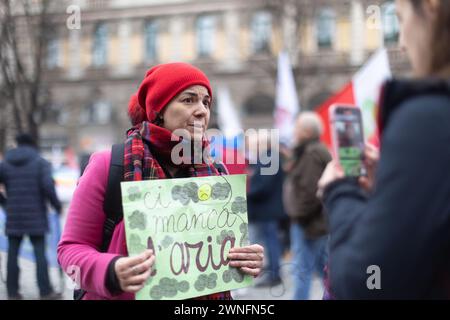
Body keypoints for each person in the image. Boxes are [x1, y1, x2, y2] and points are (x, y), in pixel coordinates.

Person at [57, 63, 264, 300]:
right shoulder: (110, 165)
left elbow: (220, 256)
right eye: (188, 100)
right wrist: (111, 271)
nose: (202, 111)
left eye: (206, 102)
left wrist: (246, 260)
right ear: (159, 109)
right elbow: (71, 249)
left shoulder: (216, 173)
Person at [317, 0, 450, 299]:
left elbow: (366, 281)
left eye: (400, 20)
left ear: (431, 7)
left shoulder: (429, 117)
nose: (401, 42)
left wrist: (340, 190)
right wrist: (395, 189)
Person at [0, 133, 62, 300]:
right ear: (32, 144)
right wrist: (57, 206)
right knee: (40, 254)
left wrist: (5, 203)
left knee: (12, 254)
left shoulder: (5, 164)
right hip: (36, 215)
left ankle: (12, 292)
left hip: (13, 215)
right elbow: (48, 187)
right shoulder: (40, 163)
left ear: (17, 144)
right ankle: (45, 291)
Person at [283, 112, 332, 300]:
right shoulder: (309, 151)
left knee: (301, 270)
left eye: (298, 127)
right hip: (314, 221)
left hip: (308, 222)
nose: (294, 131)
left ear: (308, 131)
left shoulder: (312, 153)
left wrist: (299, 215)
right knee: (323, 267)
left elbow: (310, 191)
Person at [247, 133, 286, 287]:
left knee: (270, 244)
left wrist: (246, 193)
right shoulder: (268, 158)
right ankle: (272, 273)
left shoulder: (269, 158)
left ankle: (274, 275)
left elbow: (263, 186)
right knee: (269, 243)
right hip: (266, 209)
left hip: (267, 210)